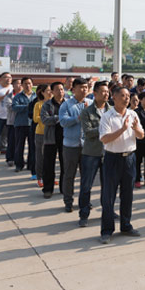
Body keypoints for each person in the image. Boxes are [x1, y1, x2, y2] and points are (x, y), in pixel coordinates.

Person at [98, 87, 144, 244]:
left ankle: (126, 225)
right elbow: (104, 138)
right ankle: (107, 230)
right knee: (109, 196)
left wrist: (136, 128)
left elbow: (141, 135)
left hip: (130, 158)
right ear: (114, 97)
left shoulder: (133, 114)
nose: (126, 98)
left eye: (128, 96)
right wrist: (123, 129)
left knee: (128, 194)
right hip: (112, 159)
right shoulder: (107, 116)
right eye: (123, 96)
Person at [76, 81, 110, 227]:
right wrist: (104, 128)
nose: (106, 94)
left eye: (107, 91)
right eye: (102, 91)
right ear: (94, 94)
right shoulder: (86, 112)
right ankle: (84, 214)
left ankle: (107, 212)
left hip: (108, 152)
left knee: (108, 186)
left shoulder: (112, 110)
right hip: (91, 153)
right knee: (86, 185)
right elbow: (88, 133)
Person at [59, 78, 92, 212]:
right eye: (81, 87)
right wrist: (79, 117)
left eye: (86, 87)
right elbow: (63, 121)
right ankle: (68, 201)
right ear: (74, 89)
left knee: (86, 176)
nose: (84, 90)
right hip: (70, 146)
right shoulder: (66, 105)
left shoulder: (91, 103)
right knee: (69, 175)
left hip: (87, 146)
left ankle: (85, 201)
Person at [41, 82, 66, 198]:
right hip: (50, 138)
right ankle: (48, 189)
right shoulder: (47, 105)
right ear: (52, 92)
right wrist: (60, 118)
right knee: (48, 165)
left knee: (65, 165)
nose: (60, 92)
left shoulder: (68, 104)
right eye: (57, 89)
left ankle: (64, 188)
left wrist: (57, 118)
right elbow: (45, 119)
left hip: (66, 138)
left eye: (62, 89)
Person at [12, 77, 35, 175]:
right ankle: (19, 164)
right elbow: (14, 107)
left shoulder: (35, 96)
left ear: (32, 84)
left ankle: (31, 164)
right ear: (22, 85)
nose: (28, 85)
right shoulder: (18, 96)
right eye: (25, 83)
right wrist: (28, 107)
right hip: (20, 124)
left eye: (29, 83)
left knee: (32, 146)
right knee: (19, 146)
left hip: (32, 124)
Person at [32, 84, 50, 187]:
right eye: (47, 90)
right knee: (40, 156)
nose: (50, 92)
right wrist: (47, 119)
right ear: (42, 92)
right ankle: (40, 177)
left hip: (52, 133)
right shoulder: (38, 104)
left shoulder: (54, 103)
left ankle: (50, 177)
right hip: (41, 133)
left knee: (51, 157)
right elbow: (35, 118)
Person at [134, 91, 145, 188]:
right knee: (138, 161)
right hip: (139, 141)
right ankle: (137, 179)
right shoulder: (136, 112)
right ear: (140, 100)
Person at [3, 79, 22, 167]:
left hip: (23, 122)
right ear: (13, 85)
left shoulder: (24, 95)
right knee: (11, 141)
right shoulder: (9, 96)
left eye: (21, 84)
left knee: (20, 142)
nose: (19, 85)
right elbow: (11, 107)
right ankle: (10, 158)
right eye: (17, 84)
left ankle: (19, 158)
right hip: (12, 122)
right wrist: (23, 107)